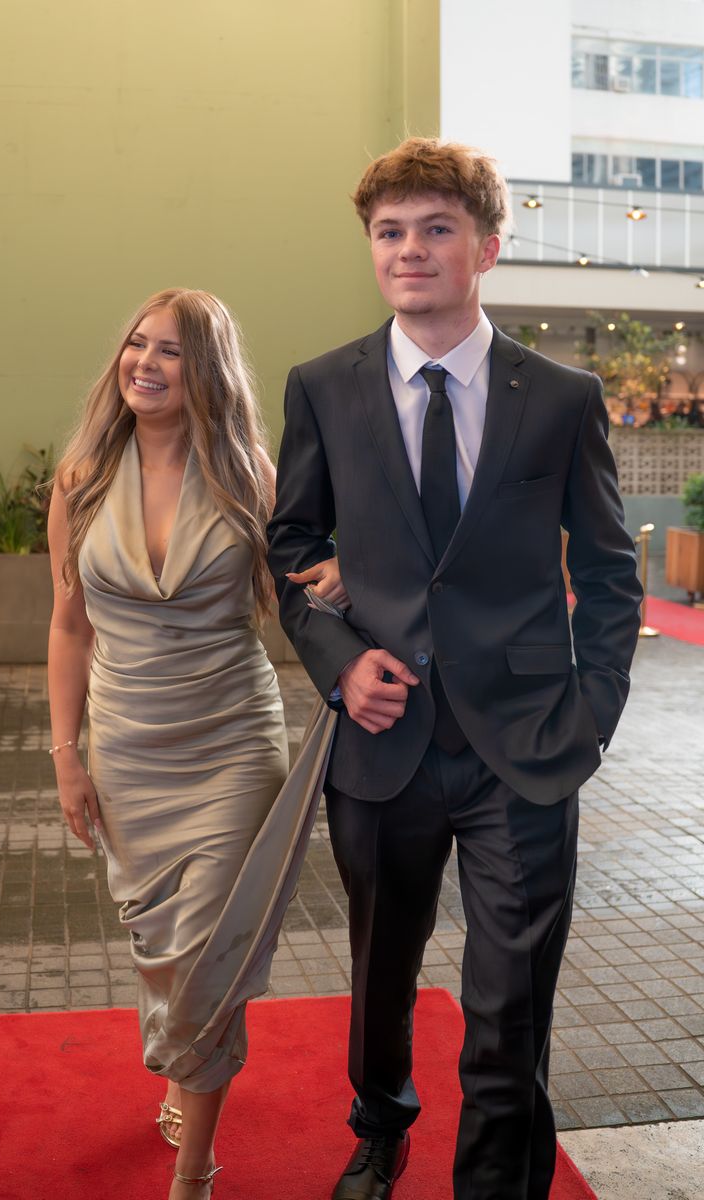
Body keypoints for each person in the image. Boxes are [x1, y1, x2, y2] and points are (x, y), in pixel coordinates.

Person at [267, 138, 643, 1200]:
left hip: (522, 748)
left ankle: (494, 1183)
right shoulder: (324, 387)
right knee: (379, 972)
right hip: (381, 745)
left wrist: (591, 720)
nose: (410, 250)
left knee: (510, 1000)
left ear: (486, 246)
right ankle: (380, 1128)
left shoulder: (560, 397)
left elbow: (609, 573)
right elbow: (290, 549)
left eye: (436, 229)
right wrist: (339, 665)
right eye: (389, 232)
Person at [46, 288, 345, 1199]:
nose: (145, 363)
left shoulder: (250, 477)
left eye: (170, 350)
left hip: (232, 744)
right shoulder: (80, 479)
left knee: (214, 950)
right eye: (137, 344)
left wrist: (348, 584)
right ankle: (189, 1063)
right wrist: (66, 755)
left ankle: (194, 1172)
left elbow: (294, 596)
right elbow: (68, 625)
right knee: (165, 949)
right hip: (129, 746)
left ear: (205, 370)